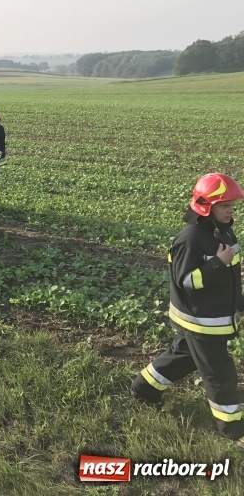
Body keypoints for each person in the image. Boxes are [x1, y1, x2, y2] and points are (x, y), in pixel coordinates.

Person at [130, 173, 244, 448]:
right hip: (200, 320)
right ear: (206, 205)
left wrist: (239, 305)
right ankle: (233, 430)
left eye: (232, 204)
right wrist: (216, 263)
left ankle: (143, 388)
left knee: (184, 356)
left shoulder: (223, 231)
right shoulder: (190, 239)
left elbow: (231, 277)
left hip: (212, 316)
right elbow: (185, 281)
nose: (231, 209)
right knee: (219, 373)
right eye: (224, 204)